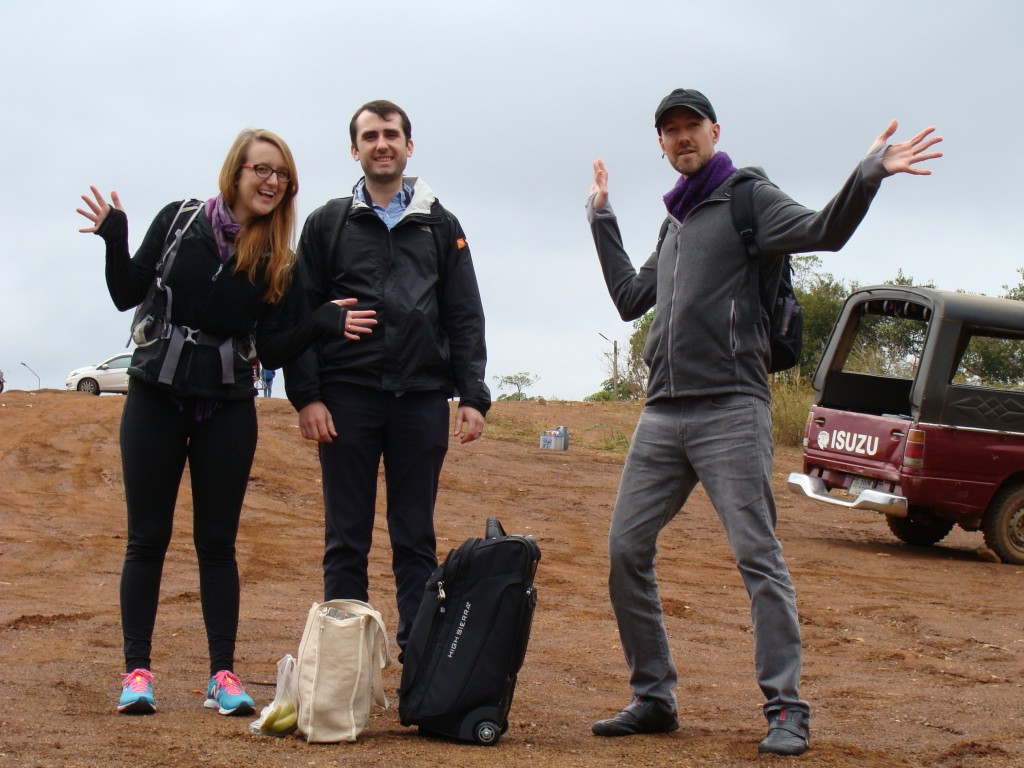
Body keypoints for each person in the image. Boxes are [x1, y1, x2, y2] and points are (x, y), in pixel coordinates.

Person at [585, 89, 941, 755]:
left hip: (731, 408)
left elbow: (824, 231)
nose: (682, 137)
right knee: (624, 551)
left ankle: (785, 708)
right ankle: (653, 696)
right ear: (660, 144)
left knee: (758, 557)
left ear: (715, 131)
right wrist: (601, 218)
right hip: (663, 413)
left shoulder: (749, 198)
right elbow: (633, 300)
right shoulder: (675, 225)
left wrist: (868, 174)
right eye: (670, 130)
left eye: (692, 126)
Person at [76, 128, 372, 717]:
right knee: (147, 540)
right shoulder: (180, 221)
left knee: (218, 545)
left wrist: (319, 323)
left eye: (280, 175)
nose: (270, 181)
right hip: (154, 398)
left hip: (228, 408)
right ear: (235, 172)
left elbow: (275, 346)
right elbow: (124, 292)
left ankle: (223, 675)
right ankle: (137, 672)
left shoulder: (276, 261)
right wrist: (115, 238)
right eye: (260, 169)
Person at [281, 99, 490, 659]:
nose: (382, 144)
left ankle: (419, 668)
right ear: (355, 149)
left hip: (420, 400)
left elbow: (464, 313)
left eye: (391, 134)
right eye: (370, 136)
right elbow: (300, 313)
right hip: (346, 400)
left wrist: (473, 395)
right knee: (345, 539)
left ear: (408, 145)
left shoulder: (441, 223)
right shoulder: (327, 224)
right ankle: (345, 670)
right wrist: (307, 396)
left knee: (415, 539)